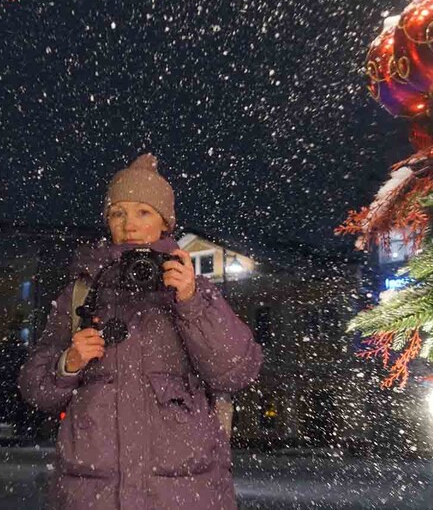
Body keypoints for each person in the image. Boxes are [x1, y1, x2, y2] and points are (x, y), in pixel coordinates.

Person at [19, 153, 263, 509]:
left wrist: (191, 302)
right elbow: (35, 388)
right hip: (94, 496)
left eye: (143, 212)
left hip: (182, 495)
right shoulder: (82, 292)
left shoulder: (195, 290)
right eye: (118, 213)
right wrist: (68, 363)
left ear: (165, 222)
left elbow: (237, 371)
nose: (129, 224)